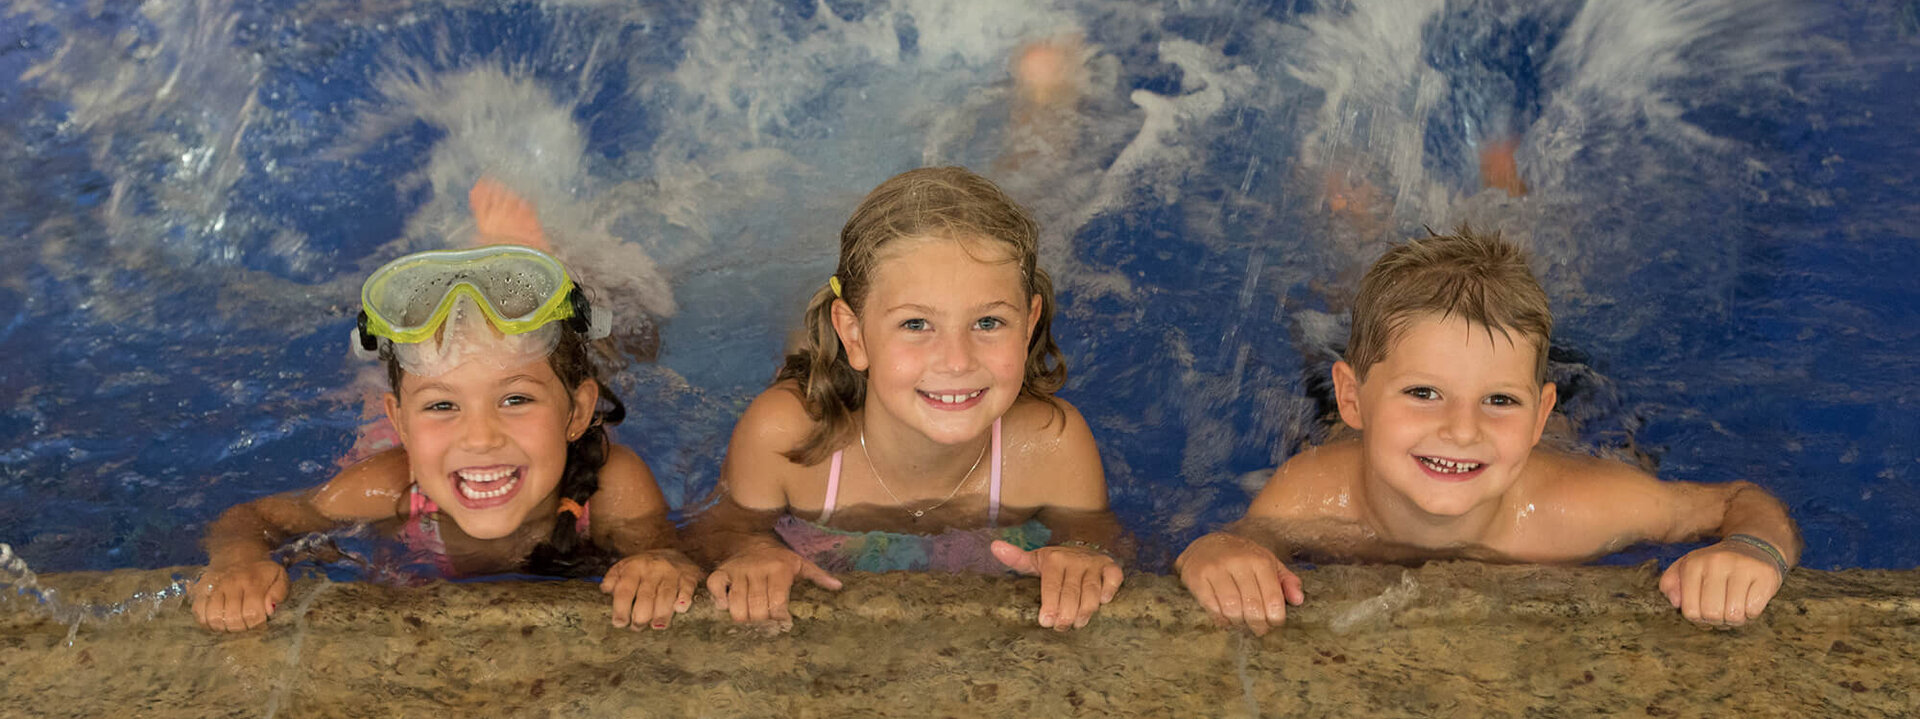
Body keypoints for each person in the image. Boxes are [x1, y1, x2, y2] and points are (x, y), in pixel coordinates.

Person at [1176, 228, 1800, 636]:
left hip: (1571, 429)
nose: (1461, 429)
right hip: (1346, 427)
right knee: (1331, 305)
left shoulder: (1579, 507)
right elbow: (1241, 541)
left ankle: (1507, 186)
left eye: (1499, 402)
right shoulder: (1311, 495)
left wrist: (1752, 550)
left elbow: (1737, 501)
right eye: (1424, 394)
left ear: (1535, 416)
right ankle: (1349, 218)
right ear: (1354, 399)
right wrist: (1216, 549)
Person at [191, 184, 700, 633]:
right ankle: (512, 267)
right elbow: (253, 518)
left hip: (521, 411)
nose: (480, 436)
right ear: (401, 425)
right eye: (443, 406)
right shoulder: (390, 485)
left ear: (577, 414)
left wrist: (660, 563)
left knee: (629, 342)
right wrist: (239, 559)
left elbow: (671, 554)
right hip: (407, 437)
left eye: (515, 400)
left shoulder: (611, 484)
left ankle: (529, 263)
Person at [690, 166, 1125, 632]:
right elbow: (716, 533)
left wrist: (1081, 558)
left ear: (1030, 324)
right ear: (853, 336)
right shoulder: (788, 436)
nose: (956, 361)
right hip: (834, 384)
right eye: (916, 324)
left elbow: (1098, 543)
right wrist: (754, 550)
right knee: (802, 358)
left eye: (989, 322)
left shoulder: (1049, 443)